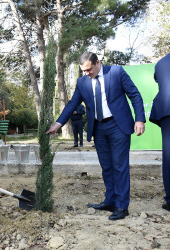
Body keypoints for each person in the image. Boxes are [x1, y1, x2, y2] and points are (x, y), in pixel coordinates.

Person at [46, 52, 145, 220]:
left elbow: (134, 95)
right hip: (98, 127)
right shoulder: (82, 82)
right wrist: (58, 123)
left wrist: (140, 119)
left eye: (89, 69)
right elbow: (72, 104)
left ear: (97, 62)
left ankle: (122, 206)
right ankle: (110, 201)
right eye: (83, 70)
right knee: (106, 166)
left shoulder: (116, 72)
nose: (87, 73)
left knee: (119, 166)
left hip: (118, 125)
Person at [149, 53, 170, 212]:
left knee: (168, 157)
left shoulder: (161, 62)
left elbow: (158, 79)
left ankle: (169, 199)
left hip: (166, 111)